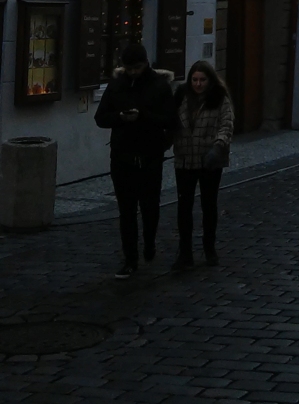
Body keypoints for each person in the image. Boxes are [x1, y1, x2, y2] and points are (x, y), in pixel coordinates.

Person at [95, 41, 176, 279]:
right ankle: (130, 258)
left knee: (150, 207)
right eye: (129, 68)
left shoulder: (159, 86)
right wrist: (120, 117)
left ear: (145, 64)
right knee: (126, 211)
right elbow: (101, 117)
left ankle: (149, 243)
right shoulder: (116, 86)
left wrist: (144, 117)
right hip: (122, 156)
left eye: (137, 68)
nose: (133, 72)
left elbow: (170, 120)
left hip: (150, 155)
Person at [171, 60, 234, 270]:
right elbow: (172, 123)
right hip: (185, 158)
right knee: (184, 207)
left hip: (209, 160)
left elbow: (226, 125)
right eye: (195, 80)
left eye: (202, 80)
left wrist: (217, 148)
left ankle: (209, 248)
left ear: (210, 81)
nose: (198, 84)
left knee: (208, 205)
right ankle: (185, 252)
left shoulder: (219, 99)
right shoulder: (181, 97)